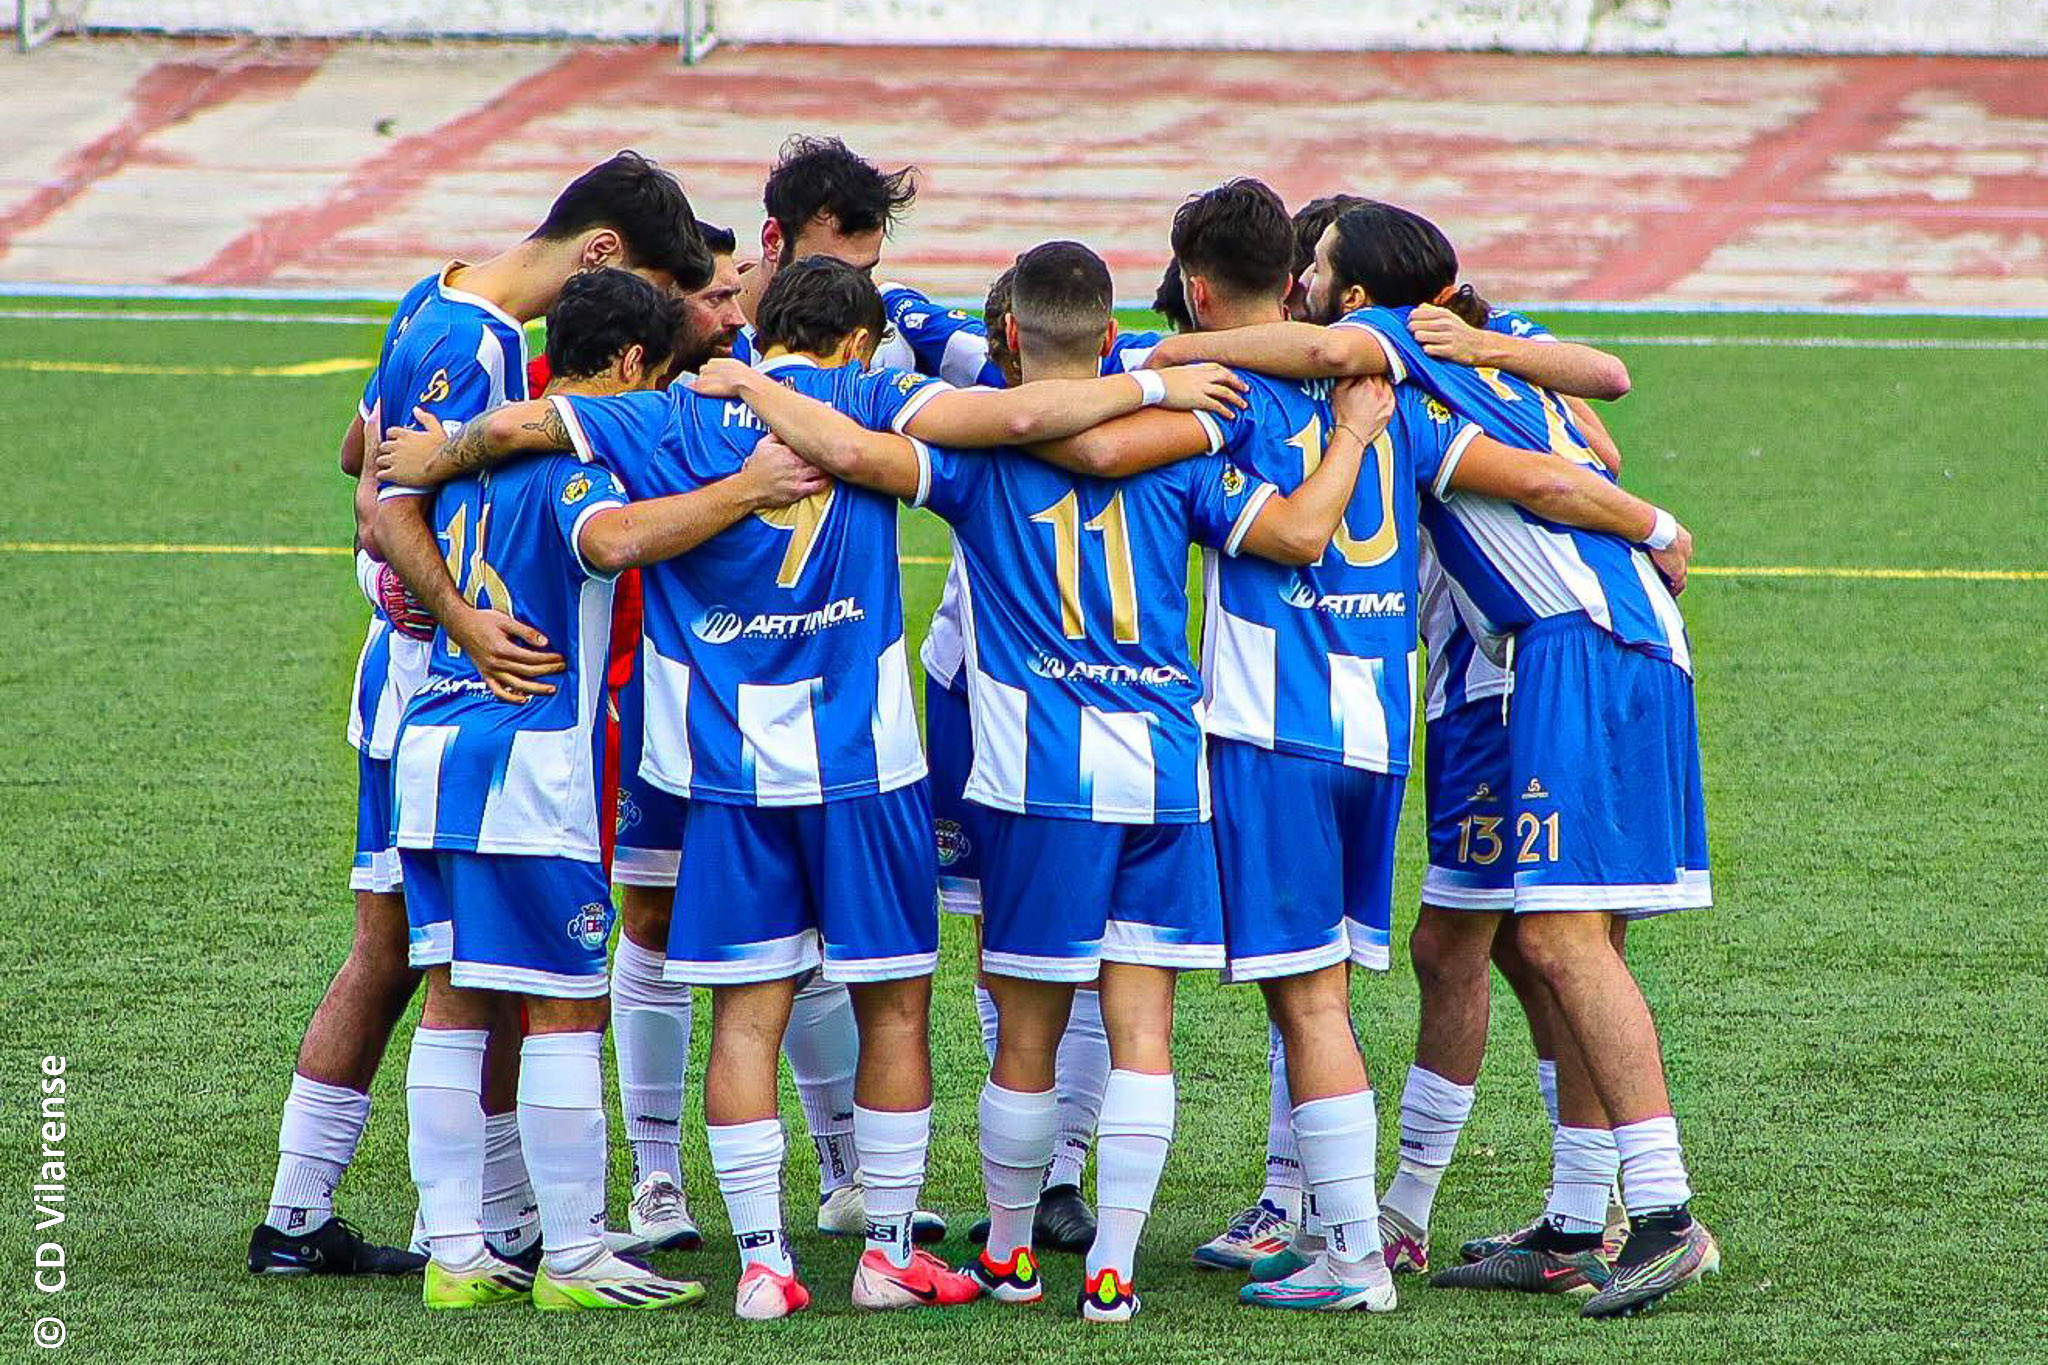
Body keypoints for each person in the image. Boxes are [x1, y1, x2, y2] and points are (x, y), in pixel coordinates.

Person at [378, 253, 1246, 1318]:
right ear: (854, 340)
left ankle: (759, 1263)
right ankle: (884, 1251)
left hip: (724, 772)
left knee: (744, 1015)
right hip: (864, 763)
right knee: (893, 1005)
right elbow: (1018, 426)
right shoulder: (878, 396)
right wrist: (1157, 386)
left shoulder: (669, 415)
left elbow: (524, 430)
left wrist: (444, 446)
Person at [704, 240, 1389, 1323]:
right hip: (1165, 768)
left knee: (1024, 1035)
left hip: (1036, 776)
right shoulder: (1187, 442)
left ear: (1009, 339)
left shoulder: (976, 457)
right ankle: (1111, 1274)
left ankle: (1015, 1256)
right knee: (1142, 1035)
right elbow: (1302, 531)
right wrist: (1350, 432)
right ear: (1113, 341)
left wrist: (746, 378)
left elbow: (845, 450)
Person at [1180, 200, 1717, 1318]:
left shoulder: (1400, 352)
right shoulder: (1474, 343)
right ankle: (1566, 1217)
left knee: (1566, 938)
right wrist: (1494, 356)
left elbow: (1561, 472)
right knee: (1476, 942)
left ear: (1361, 296)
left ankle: (1662, 1212)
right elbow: (1596, 413)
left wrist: (1160, 354)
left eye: (1315, 266)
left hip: (1570, 643)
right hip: (1513, 661)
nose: (1298, 287)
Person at [248, 151, 709, 1279]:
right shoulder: (490, 346)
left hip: (420, 692)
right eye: (650, 286)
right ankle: (357, 1219)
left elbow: (362, 455)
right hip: (458, 688)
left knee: (438, 957)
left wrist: (422, 540)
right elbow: (388, 503)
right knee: (445, 958)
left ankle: (462, 1226)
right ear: (602, 255)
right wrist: (461, 612)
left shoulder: (430, 291)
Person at [377, 268, 821, 1311]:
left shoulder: (461, 459)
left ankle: (454, 1251)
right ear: (627, 364)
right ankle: (573, 1255)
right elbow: (612, 540)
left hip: (432, 748)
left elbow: (391, 514)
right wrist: (744, 491)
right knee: (565, 1008)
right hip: (530, 766)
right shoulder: (563, 465)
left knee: (451, 1002)